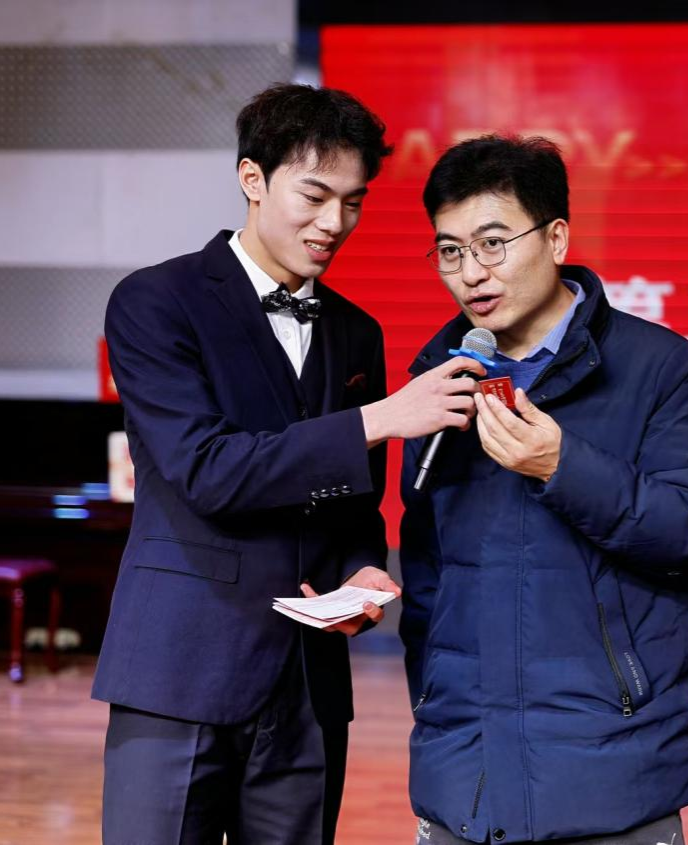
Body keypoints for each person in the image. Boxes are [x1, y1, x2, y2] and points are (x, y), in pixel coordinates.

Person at [94, 83, 484, 844]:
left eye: (353, 202)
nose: (335, 223)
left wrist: (363, 567)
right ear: (252, 178)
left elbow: (354, 502)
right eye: (314, 195)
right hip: (179, 668)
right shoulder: (154, 302)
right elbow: (207, 469)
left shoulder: (356, 332)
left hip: (309, 687)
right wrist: (380, 417)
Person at [399, 135, 688, 844]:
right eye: (450, 251)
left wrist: (562, 465)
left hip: (614, 770)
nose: (471, 273)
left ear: (555, 238)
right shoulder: (439, 380)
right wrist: (435, 706)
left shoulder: (657, 366)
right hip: (464, 778)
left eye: (493, 244)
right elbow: (428, 580)